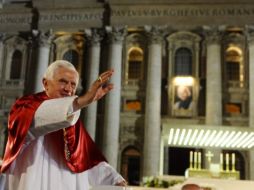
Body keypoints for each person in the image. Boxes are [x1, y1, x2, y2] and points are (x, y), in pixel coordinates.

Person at [0, 60, 127, 190]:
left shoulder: (71, 115)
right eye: (63, 82)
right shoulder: (25, 105)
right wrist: (80, 102)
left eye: (73, 85)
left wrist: (114, 179)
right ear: (45, 83)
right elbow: (34, 122)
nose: (68, 89)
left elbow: (86, 157)